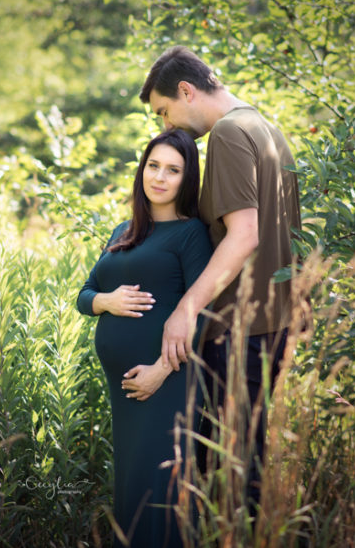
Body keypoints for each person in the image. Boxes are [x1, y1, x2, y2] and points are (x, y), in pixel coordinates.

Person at [138, 46, 302, 511]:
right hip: (271, 325)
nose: (164, 127)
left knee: (232, 472)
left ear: (186, 91)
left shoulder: (229, 134)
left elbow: (245, 235)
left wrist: (186, 310)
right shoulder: (264, 127)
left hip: (241, 331)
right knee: (242, 462)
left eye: (164, 111)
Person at [77, 129, 212, 547]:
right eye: (153, 166)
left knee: (159, 487)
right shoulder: (124, 229)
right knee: (132, 484)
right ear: (142, 171)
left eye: (173, 170)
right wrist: (107, 301)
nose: (160, 177)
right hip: (126, 392)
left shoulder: (191, 235)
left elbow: (202, 314)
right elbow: (84, 295)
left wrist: (159, 370)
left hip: (167, 383)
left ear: (187, 180)